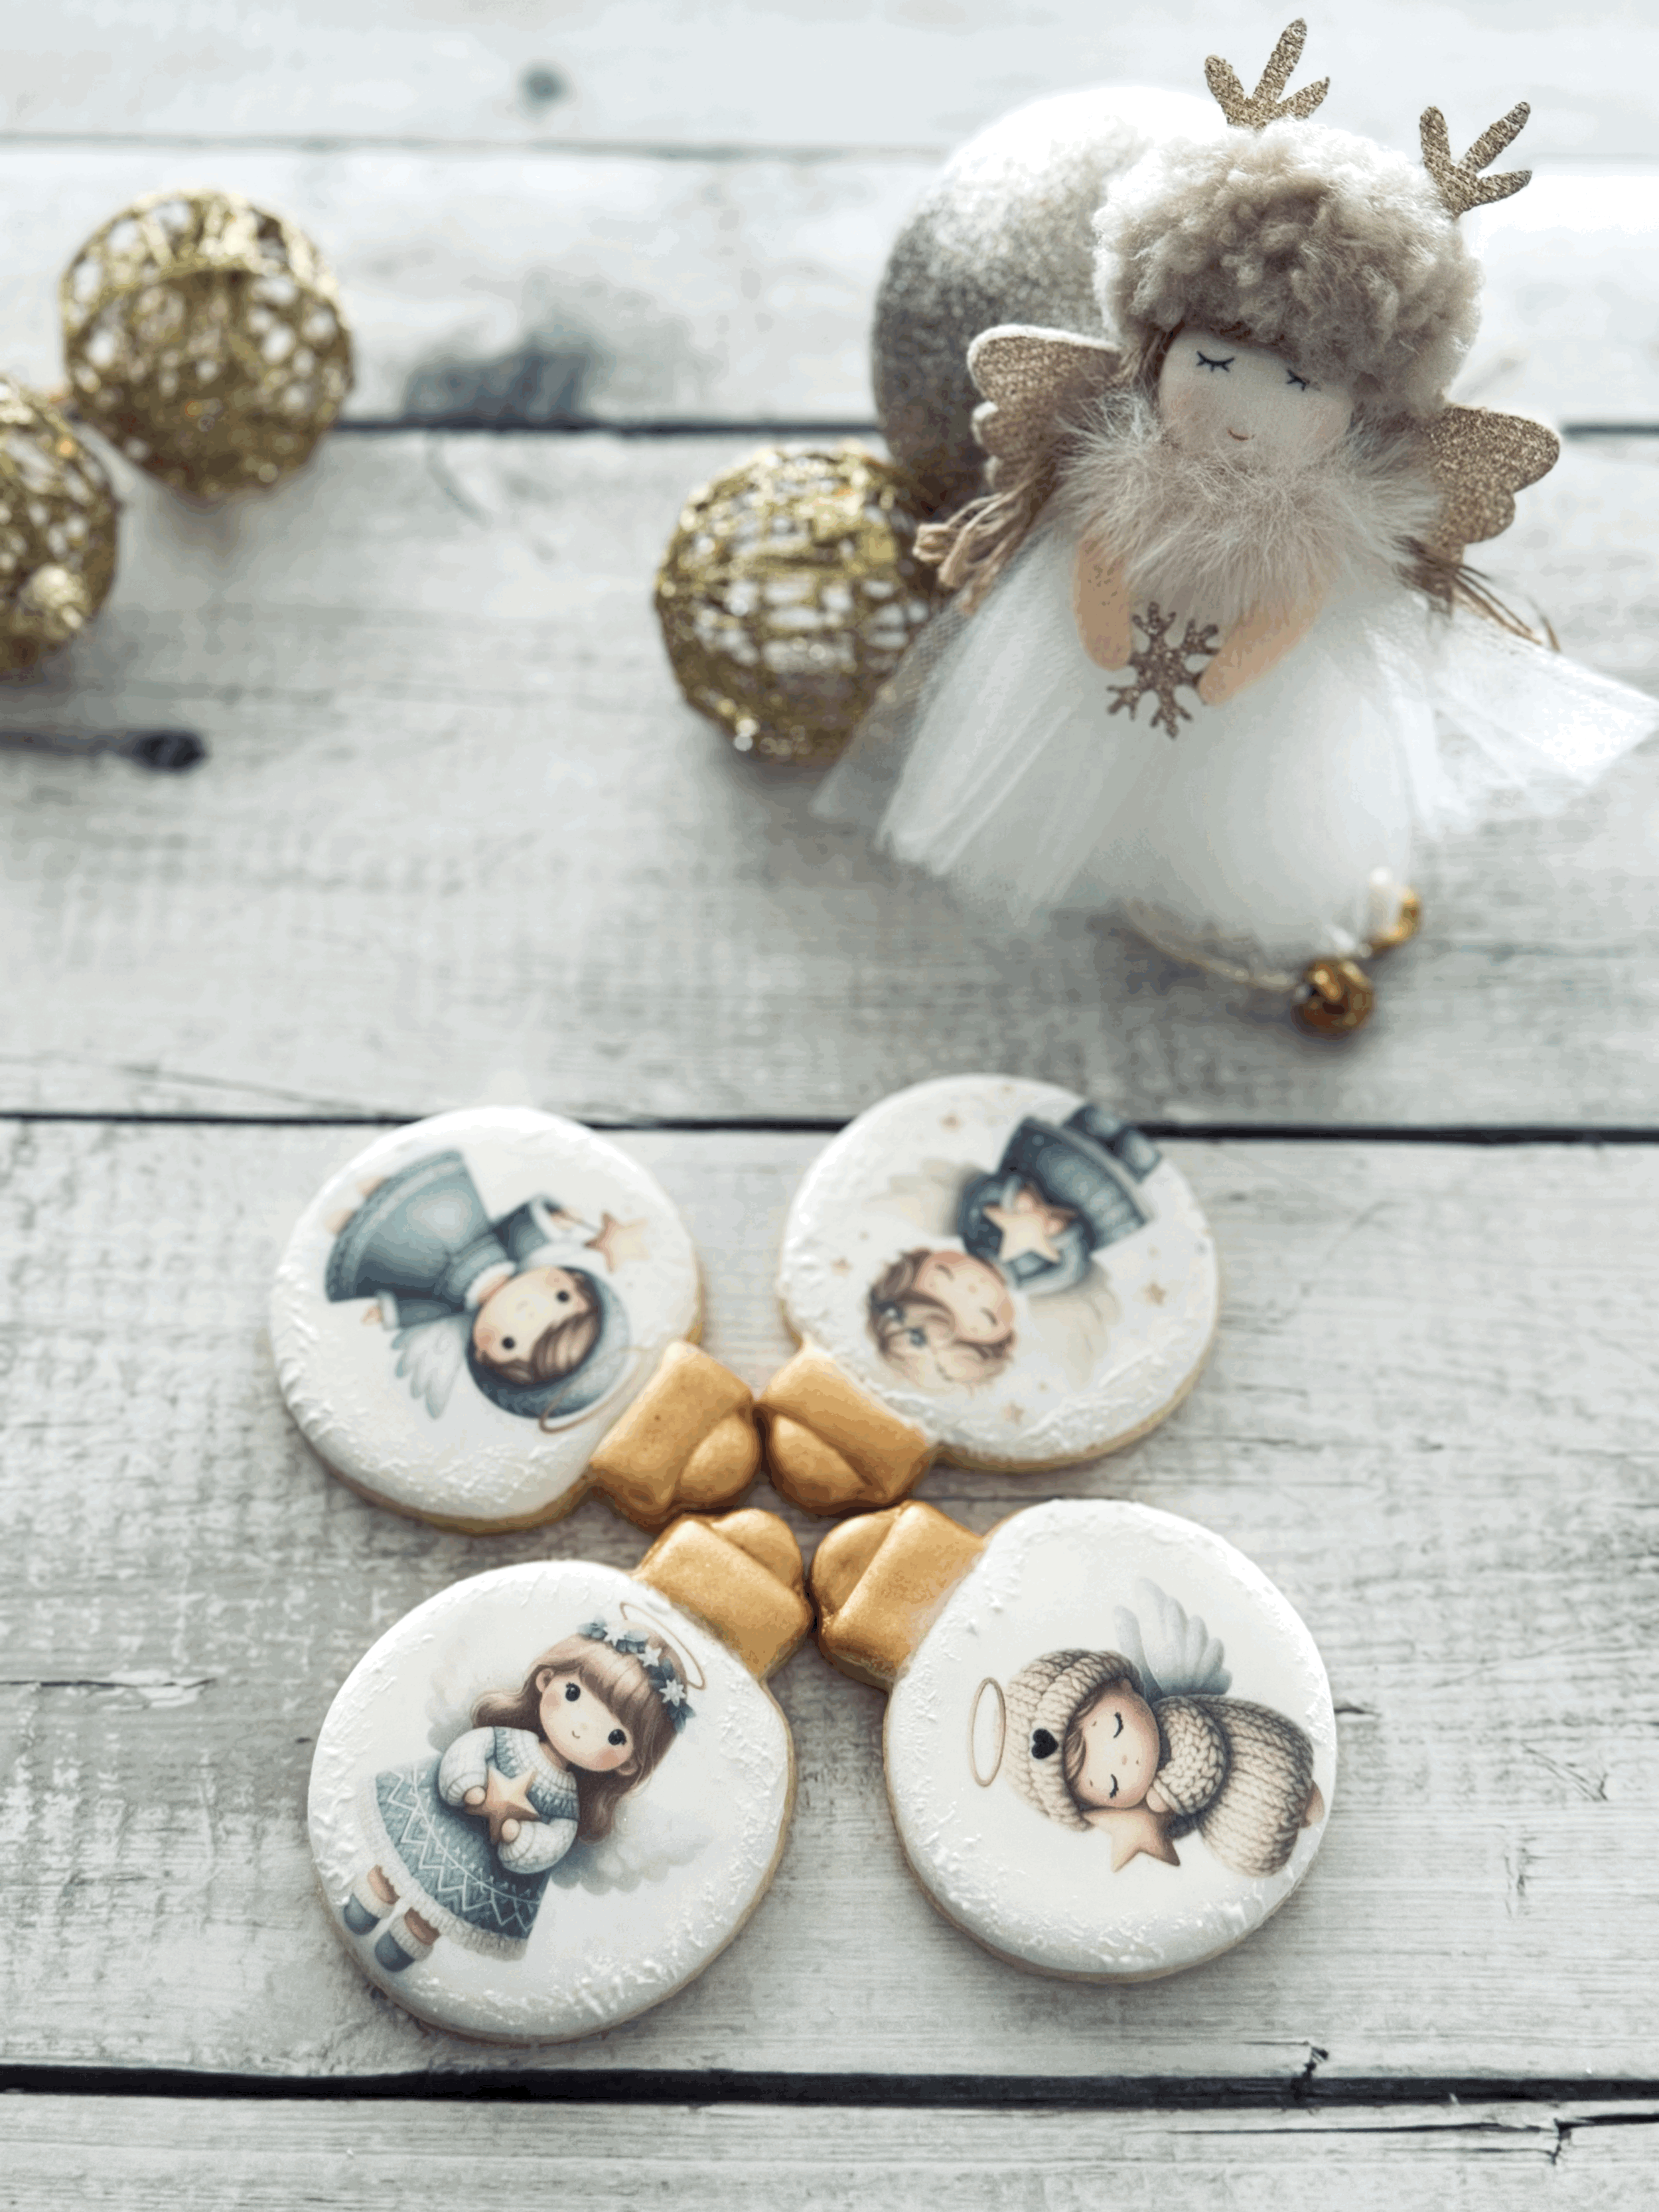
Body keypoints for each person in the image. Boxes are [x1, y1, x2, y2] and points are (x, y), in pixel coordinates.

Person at [339, 1621, 691, 1971]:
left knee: (435, 1916)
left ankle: (403, 1945)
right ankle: (368, 1903)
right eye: (574, 1694)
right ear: (546, 1679)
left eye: (615, 1736)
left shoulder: (567, 1802)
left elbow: (554, 1841)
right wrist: (467, 1783)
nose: (582, 1726)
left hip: (482, 1873)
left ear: (628, 1765)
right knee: (394, 1870)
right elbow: (470, 1750)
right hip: (439, 1823)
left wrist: (520, 1839)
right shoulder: (507, 1739)